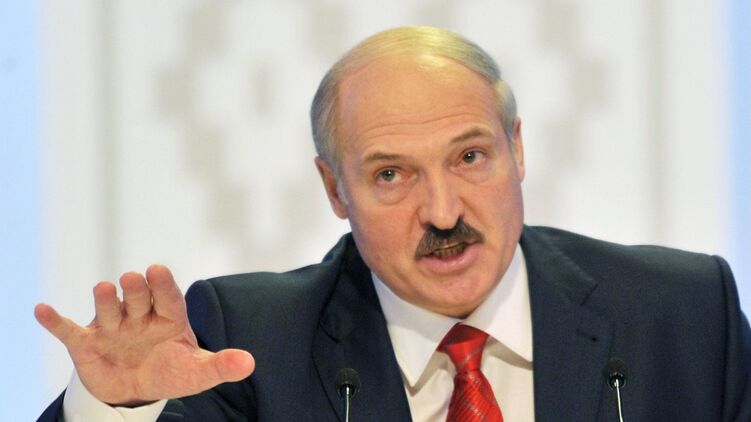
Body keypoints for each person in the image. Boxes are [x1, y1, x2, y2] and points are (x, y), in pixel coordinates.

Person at [37, 26, 750, 421]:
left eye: (469, 157)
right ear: (334, 189)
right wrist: (117, 408)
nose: (443, 212)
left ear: (518, 149)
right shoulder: (252, 338)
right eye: (390, 175)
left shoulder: (682, 312)